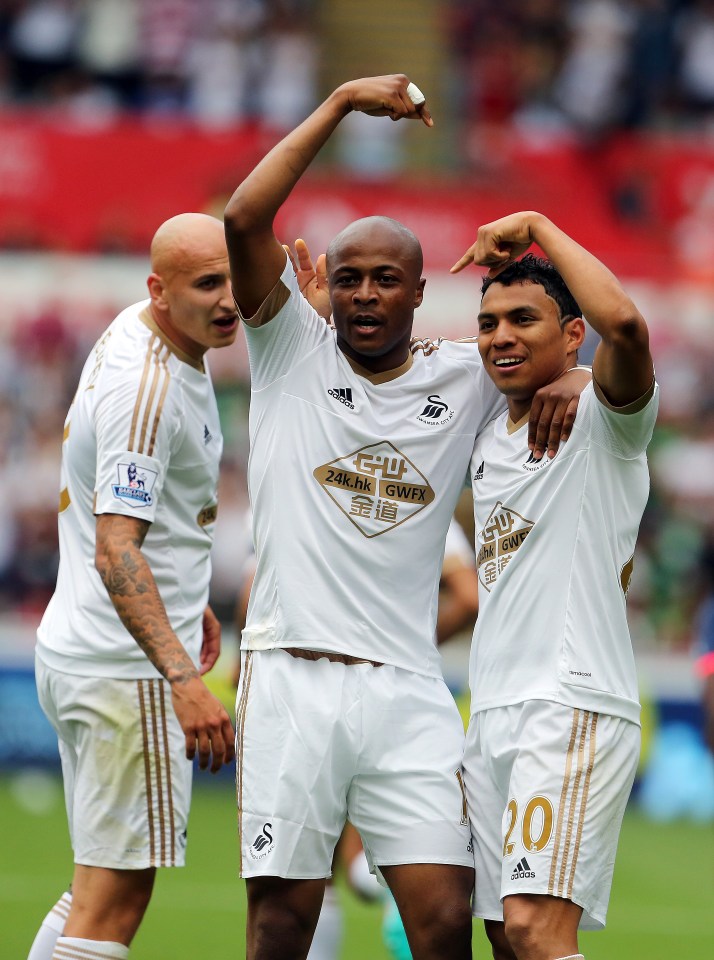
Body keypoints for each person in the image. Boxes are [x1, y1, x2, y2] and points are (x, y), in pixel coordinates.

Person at [223, 75, 588, 960]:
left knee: (441, 917)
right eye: (348, 279)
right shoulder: (288, 352)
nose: (364, 295)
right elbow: (242, 222)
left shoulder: (463, 375)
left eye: (387, 279)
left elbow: (582, 351)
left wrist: (577, 376)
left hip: (408, 689)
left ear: (422, 292)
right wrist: (342, 103)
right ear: (329, 290)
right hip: (292, 676)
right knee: (282, 922)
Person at [28, 213, 238, 960]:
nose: (228, 300)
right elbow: (116, 549)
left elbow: (154, 518)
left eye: (234, 279)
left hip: (88, 650)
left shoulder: (151, 336)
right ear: (159, 290)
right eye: (207, 284)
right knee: (115, 905)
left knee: (93, 890)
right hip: (127, 673)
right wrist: (181, 676)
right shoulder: (147, 388)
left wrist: (191, 600)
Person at [453, 211, 658, 960]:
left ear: (573, 334)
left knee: (541, 931)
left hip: (568, 702)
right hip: (494, 711)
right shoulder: (482, 434)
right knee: (508, 938)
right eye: (488, 323)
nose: (501, 335)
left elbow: (628, 329)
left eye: (524, 319)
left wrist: (540, 226)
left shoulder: (605, 420)